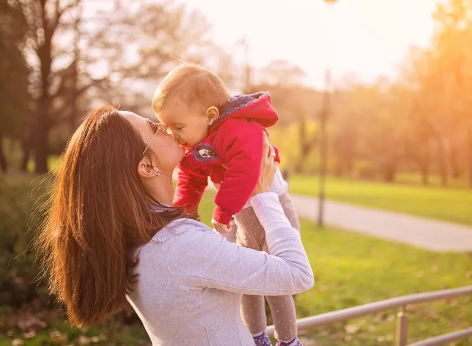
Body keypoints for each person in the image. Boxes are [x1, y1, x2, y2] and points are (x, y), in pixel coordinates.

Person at [37, 105, 313, 346]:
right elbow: (298, 274)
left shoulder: (140, 234)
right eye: (155, 128)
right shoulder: (177, 243)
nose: (168, 130)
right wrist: (264, 195)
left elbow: (224, 260)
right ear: (146, 166)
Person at [152, 63, 303, 345]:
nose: (173, 135)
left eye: (178, 126)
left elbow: (245, 171)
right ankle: (258, 337)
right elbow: (189, 177)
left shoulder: (240, 128)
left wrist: (222, 210)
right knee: (249, 284)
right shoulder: (197, 145)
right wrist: (182, 212)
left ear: (209, 115)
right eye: (167, 127)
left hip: (273, 210)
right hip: (246, 216)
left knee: (277, 284)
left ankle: (288, 340)